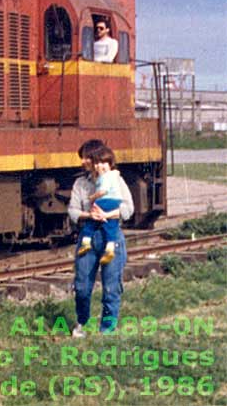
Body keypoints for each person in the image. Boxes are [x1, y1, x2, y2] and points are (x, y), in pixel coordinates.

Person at [68, 139, 134, 337]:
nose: (83, 162)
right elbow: (72, 210)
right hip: (89, 237)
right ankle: (83, 324)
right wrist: (89, 215)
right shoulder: (80, 183)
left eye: (87, 158)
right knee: (82, 286)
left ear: (98, 160)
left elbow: (128, 209)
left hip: (111, 237)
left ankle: (107, 329)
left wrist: (109, 214)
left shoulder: (116, 181)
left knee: (111, 287)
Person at [76, 146, 123, 265]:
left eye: (103, 163)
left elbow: (103, 192)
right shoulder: (115, 175)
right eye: (97, 163)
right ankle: (110, 249)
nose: (99, 166)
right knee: (111, 228)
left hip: (104, 201)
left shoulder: (104, 177)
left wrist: (92, 197)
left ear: (110, 164)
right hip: (116, 202)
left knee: (91, 223)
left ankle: (86, 242)